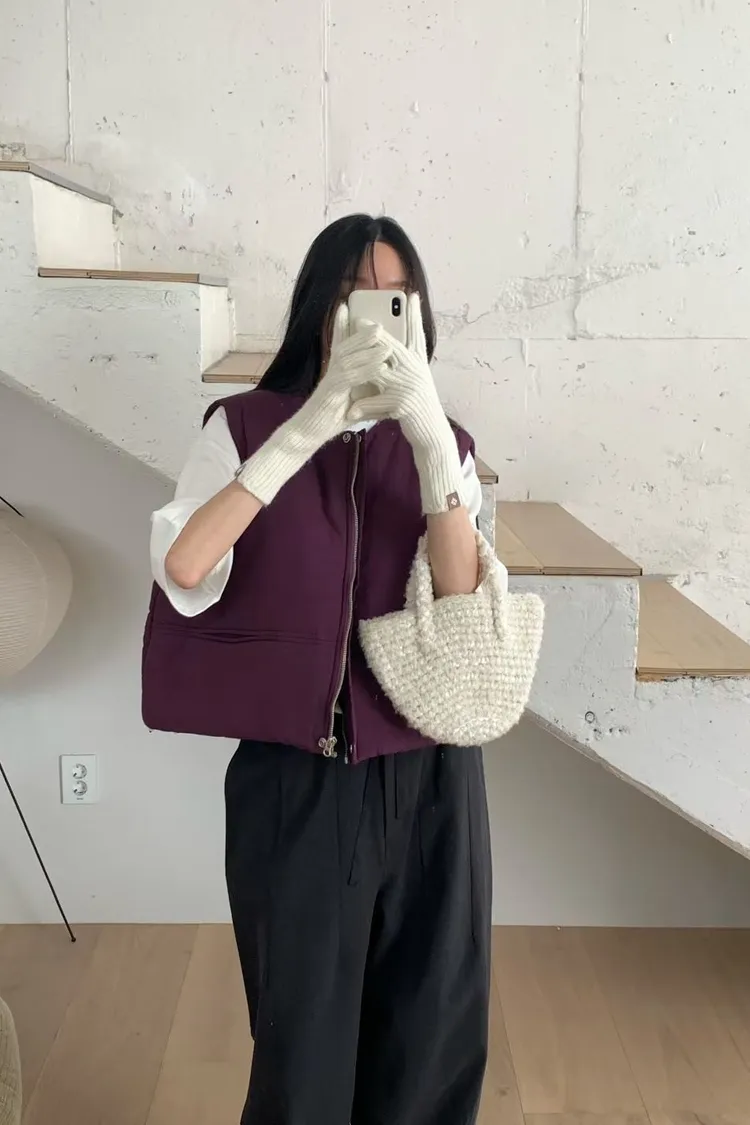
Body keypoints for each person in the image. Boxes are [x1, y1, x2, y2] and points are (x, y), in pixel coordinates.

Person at [143, 214, 492, 1125]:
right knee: (302, 1060)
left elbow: (462, 603)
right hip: (296, 785)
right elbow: (185, 568)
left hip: (434, 778)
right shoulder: (243, 427)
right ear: (318, 311)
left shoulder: (445, 442)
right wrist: (308, 427)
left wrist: (428, 443)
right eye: (353, 295)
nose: (376, 314)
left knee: (430, 1046)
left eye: (396, 297)